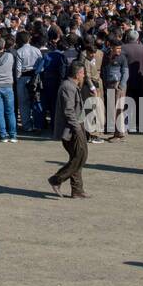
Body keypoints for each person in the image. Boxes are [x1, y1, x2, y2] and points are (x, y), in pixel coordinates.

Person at [47, 62, 88, 199]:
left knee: (77, 157)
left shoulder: (72, 86)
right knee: (80, 156)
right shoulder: (67, 87)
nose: (84, 76)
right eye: (83, 73)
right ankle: (56, 180)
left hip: (76, 125)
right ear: (77, 74)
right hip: (71, 129)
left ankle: (77, 190)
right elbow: (68, 111)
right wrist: (77, 128)